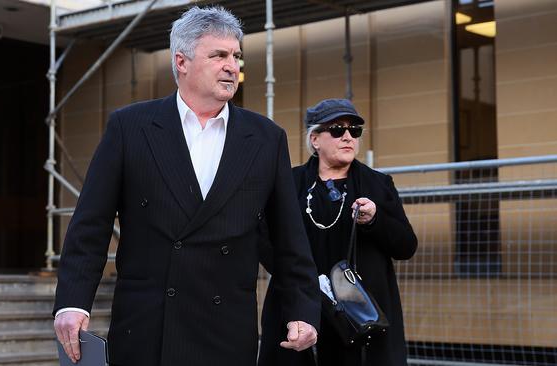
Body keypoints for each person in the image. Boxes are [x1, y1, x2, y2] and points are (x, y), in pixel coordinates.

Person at [53, 6, 320, 366]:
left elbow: (289, 238)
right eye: (219, 55)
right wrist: (72, 301)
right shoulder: (131, 127)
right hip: (148, 328)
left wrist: (302, 307)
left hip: (226, 330)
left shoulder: (266, 138)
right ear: (181, 61)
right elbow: (90, 225)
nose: (232, 66)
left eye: (237, 56)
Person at [258, 99, 417, 366]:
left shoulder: (377, 184)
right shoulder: (290, 183)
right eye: (337, 129)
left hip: (360, 314)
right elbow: (264, 242)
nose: (347, 136)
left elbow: (406, 246)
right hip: (302, 307)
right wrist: (300, 279)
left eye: (354, 130)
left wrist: (376, 219)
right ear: (315, 139)